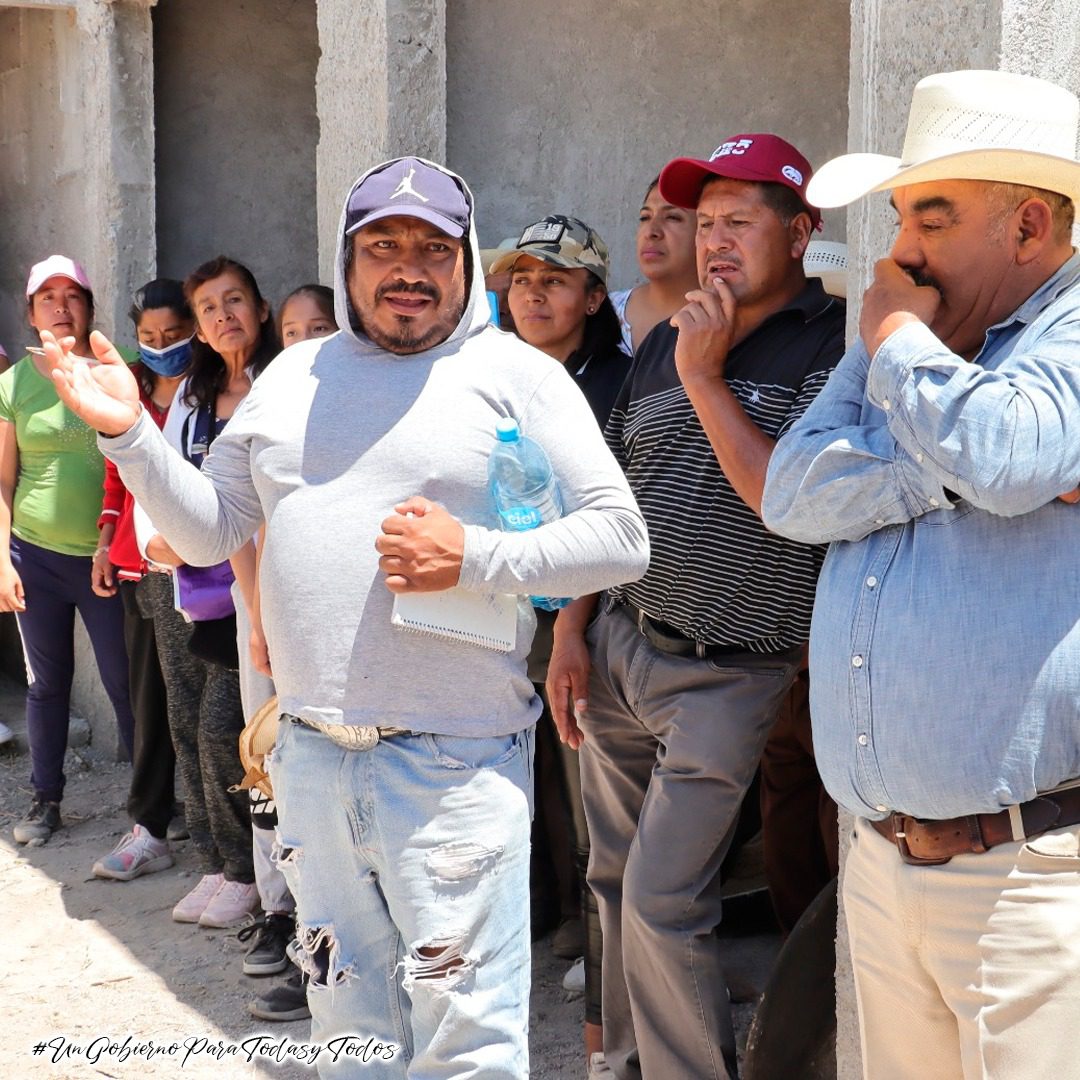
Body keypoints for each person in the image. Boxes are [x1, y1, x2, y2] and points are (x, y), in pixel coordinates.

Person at [47, 155, 649, 1078]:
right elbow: (210, 533)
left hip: (455, 769)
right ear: (347, 255)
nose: (407, 266)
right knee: (349, 1036)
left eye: (432, 248)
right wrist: (129, 434)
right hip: (313, 766)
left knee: (466, 1047)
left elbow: (621, 537)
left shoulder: (517, 376)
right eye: (382, 246)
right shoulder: (292, 378)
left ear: (463, 257)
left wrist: (478, 556)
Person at [761, 69, 1080, 1080]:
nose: (899, 253)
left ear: (1028, 228)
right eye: (901, 217)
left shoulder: (1021, 333)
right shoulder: (910, 339)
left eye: (929, 218)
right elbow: (792, 492)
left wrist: (898, 343)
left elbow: (1012, 454)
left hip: (1030, 880)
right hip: (885, 862)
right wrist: (956, 474)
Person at [546, 134, 846, 1080]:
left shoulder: (833, 347)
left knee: (666, 897)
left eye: (737, 222)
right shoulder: (675, 333)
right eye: (701, 221)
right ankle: (627, 1061)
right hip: (623, 641)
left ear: (800, 233)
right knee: (612, 879)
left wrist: (707, 377)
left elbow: (785, 500)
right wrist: (570, 628)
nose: (712, 241)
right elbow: (616, 487)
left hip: (732, 668)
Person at [493, 215, 629, 1073]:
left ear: (589, 295)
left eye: (553, 278)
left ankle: (600, 968)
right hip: (494, 608)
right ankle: (543, 931)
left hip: (579, 614)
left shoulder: (612, 379)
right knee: (515, 779)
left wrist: (573, 626)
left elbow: (612, 522)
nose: (533, 292)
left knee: (587, 793)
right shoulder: (489, 377)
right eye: (520, 278)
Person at [135, 255, 277, 927]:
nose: (223, 315)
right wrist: (153, 540)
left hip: (263, 593)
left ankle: (254, 873)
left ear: (261, 308)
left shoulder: (283, 386)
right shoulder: (195, 396)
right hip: (198, 587)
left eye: (234, 301)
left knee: (235, 732)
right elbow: (161, 474)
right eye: (209, 308)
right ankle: (219, 864)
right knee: (192, 724)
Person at [3, 256, 137, 845]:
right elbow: (2, 480)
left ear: (88, 306)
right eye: (47, 297)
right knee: (46, 684)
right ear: (32, 316)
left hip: (105, 559)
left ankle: (150, 806)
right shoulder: (12, 385)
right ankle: (45, 801)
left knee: (124, 680)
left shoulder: (117, 372)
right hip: (35, 555)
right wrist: (1, 560)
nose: (61, 305)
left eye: (73, 294)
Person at [244, 285, 338, 1020]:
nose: (306, 339)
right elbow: (262, 527)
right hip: (292, 634)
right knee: (294, 796)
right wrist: (261, 621)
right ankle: (314, 963)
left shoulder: (369, 402)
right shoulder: (274, 411)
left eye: (320, 326)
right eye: (292, 329)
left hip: (361, 646)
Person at [91, 279, 195, 880]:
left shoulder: (210, 387)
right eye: (149, 337)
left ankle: (223, 843)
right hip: (138, 566)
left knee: (203, 709)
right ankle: (150, 825)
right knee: (148, 700)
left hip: (200, 568)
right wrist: (105, 543)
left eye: (174, 335)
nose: (162, 348)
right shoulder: (128, 385)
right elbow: (115, 477)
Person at [608, 177, 699, 354]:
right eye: (645, 217)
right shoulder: (605, 312)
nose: (651, 232)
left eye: (673, 217)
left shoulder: (726, 323)